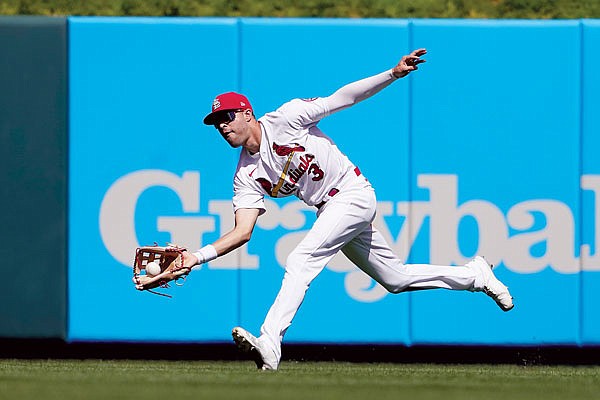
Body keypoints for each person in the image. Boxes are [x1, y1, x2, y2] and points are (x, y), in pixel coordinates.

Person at [182, 49, 514, 371]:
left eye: (226, 117)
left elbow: (344, 98)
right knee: (395, 279)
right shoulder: (245, 175)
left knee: (300, 259)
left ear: (246, 113)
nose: (222, 127)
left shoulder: (286, 118)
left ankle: (270, 343)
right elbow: (242, 231)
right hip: (330, 209)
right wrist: (195, 258)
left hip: (352, 194)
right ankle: (475, 275)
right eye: (216, 123)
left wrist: (392, 74)